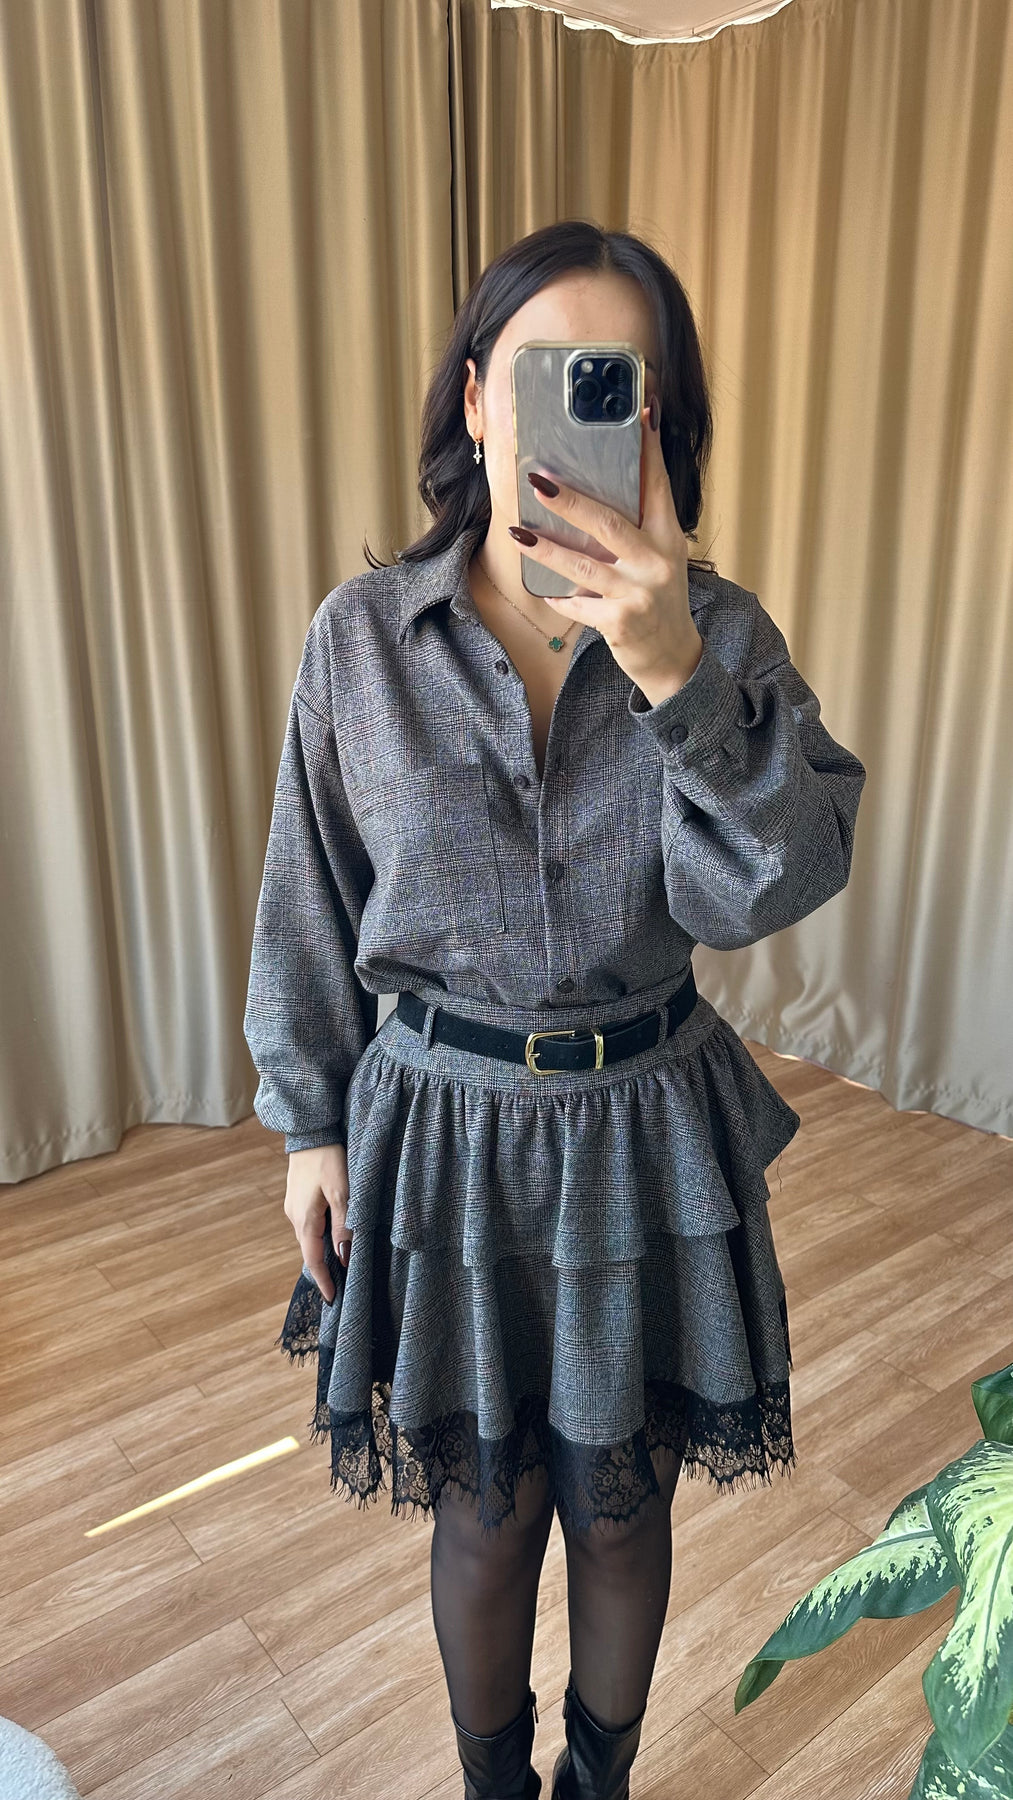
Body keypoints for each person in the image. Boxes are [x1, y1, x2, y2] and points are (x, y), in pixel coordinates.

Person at [243, 220, 867, 1800]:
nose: (579, 413)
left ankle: (599, 1784)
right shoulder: (361, 640)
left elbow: (773, 881)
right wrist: (307, 1125)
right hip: (440, 1134)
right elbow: (308, 896)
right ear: (476, 402)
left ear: (659, 422)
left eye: (618, 386)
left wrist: (670, 677)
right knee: (484, 1508)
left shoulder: (717, 637)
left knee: (616, 1503)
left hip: (641, 1128)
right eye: (545, 374)